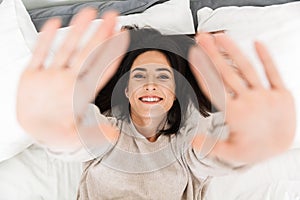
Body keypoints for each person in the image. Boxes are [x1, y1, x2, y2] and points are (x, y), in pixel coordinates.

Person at [16, 8, 296, 199]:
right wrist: (49, 122)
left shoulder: (188, 144)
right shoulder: (109, 135)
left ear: (176, 91)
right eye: (139, 75)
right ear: (125, 91)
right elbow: (72, 137)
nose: (150, 84)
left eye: (163, 76)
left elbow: (219, 154)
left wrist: (251, 145)